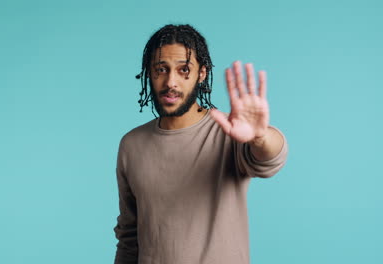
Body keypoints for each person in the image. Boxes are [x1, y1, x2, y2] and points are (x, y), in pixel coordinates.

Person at [113, 24, 288, 264]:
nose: (171, 82)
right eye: (161, 69)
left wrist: (259, 137)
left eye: (183, 69)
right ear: (149, 74)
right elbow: (129, 237)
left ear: (201, 74)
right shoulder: (131, 145)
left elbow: (269, 159)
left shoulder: (230, 132)